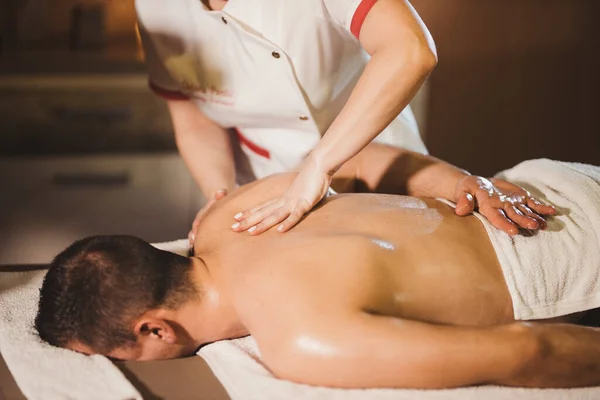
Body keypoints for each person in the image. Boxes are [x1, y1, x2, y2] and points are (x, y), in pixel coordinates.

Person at [35, 146, 600, 389]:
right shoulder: (225, 217)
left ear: (155, 327)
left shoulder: (301, 339)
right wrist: (462, 183)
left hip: (567, 257)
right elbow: (353, 159)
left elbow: (530, 351)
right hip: (538, 182)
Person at [136, 0, 534, 239]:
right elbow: (193, 115)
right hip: (262, 183)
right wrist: (220, 197)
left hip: (377, 155)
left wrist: (318, 167)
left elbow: (410, 50)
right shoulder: (156, 6)